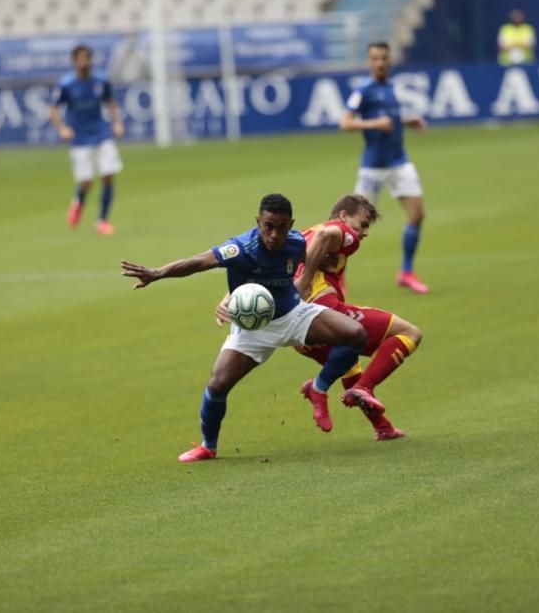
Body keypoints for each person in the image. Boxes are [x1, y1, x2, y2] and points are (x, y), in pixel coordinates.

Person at [121, 193, 373, 463]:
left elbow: (315, 252)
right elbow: (196, 263)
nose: (275, 234)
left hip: (293, 314)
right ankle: (208, 446)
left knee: (356, 335)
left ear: (291, 224)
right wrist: (157, 273)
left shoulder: (297, 241)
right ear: (258, 221)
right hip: (254, 329)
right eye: (268, 226)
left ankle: (318, 387)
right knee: (217, 385)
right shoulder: (241, 248)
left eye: (281, 227)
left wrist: (311, 273)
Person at [293, 194, 422, 441]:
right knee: (410, 333)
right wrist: (306, 280)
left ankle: (382, 427)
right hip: (322, 311)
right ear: (343, 216)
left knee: (348, 362)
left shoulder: (304, 232)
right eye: (362, 224)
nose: (363, 233)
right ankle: (345, 387)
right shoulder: (342, 232)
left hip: (297, 332)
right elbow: (327, 235)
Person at [340, 41, 430, 295]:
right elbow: (345, 123)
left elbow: (390, 121)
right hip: (373, 168)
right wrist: (373, 123)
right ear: (369, 62)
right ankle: (338, 278)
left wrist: (407, 122)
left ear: (389, 61)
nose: (380, 62)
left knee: (417, 214)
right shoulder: (363, 90)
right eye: (375, 58)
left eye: (383, 58)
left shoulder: (391, 89)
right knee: (352, 227)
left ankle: (406, 272)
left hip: (399, 161)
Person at [49, 44, 125, 235]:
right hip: (80, 137)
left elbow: (111, 102)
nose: (83, 62)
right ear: (75, 61)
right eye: (80, 58)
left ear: (90, 60)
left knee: (108, 174)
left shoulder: (101, 80)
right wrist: (62, 129)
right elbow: (53, 108)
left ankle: (102, 220)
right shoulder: (66, 84)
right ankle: (78, 202)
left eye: (86, 58)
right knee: (86, 182)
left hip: (102, 133)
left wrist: (117, 123)